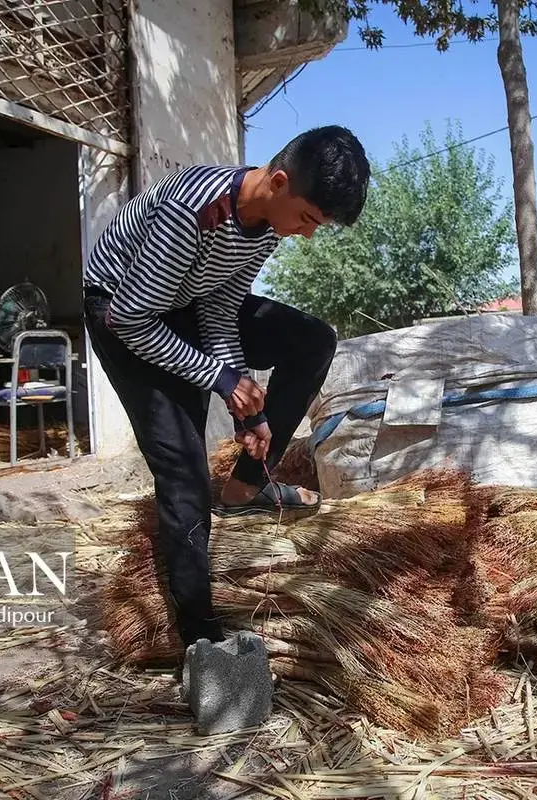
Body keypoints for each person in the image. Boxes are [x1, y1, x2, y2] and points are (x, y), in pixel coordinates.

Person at [82, 126, 370, 647]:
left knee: (313, 340)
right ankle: (199, 632)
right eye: (307, 219)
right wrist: (218, 377)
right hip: (122, 314)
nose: (305, 235)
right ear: (278, 182)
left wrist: (247, 408)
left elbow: (218, 309)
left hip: (183, 306)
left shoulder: (263, 225)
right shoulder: (192, 210)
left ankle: (247, 483)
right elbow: (132, 318)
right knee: (184, 473)